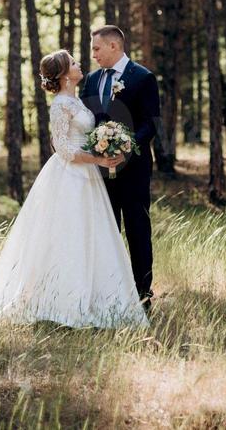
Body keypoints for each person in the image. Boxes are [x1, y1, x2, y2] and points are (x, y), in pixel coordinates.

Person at [0, 49, 149, 337]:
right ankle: (61, 301)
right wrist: (98, 159)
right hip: (69, 177)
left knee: (89, 235)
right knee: (66, 236)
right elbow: (62, 148)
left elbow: (72, 138)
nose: (79, 64)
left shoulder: (75, 98)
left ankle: (96, 297)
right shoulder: (61, 104)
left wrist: (105, 146)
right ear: (63, 74)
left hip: (87, 176)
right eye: (73, 62)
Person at [81, 25, 161, 308]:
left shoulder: (142, 78)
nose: (93, 55)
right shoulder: (91, 80)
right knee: (105, 228)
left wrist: (125, 147)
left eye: (96, 49)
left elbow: (150, 123)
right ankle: (110, 291)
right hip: (99, 170)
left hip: (134, 169)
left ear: (114, 46)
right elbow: (87, 119)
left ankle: (142, 293)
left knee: (137, 227)